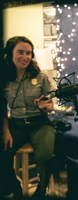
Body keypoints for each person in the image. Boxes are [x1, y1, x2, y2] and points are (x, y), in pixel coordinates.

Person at [0, 36, 55, 199]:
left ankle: (41, 190)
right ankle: (13, 189)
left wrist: (47, 107)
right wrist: (5, 130)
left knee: (46, 156)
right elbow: (2, 107)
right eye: (20, 52)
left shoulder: (41, 77)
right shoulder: (4, 78)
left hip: (40, 123)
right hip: (15, 124)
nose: (25, 57)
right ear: (10, 53)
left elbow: (50, 105)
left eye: (29, 53)